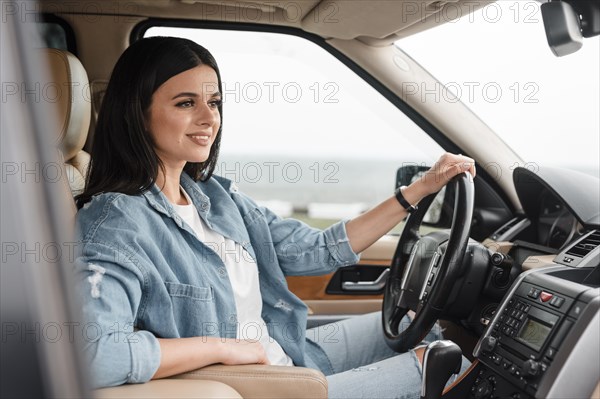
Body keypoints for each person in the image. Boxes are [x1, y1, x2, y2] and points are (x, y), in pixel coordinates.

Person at [74, 36, 476, 397]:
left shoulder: (214, 197)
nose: (209, 118)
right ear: (137, 112)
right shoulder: (115, 223)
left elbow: (319, 248)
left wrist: (419, 189)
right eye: (185, 103)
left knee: (423, 323)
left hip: (285, 355)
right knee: (446, 362)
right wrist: (222, 348)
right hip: (256, 388)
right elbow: (95, 354)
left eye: (213, 103)